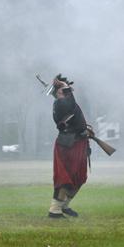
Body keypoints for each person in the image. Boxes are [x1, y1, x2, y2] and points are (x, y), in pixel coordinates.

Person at [48, 75, 90, 218]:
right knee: (65, 178)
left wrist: (86, 132)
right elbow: (70, 103)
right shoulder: (60, 104)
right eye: (63, 90)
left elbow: (76, 118)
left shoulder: (67, 102)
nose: (68, 91)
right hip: (68, 145)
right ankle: (54, 210)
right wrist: (65, 87)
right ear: (58, 92)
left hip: (78, 143)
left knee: (79, 177)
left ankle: (64, 206)